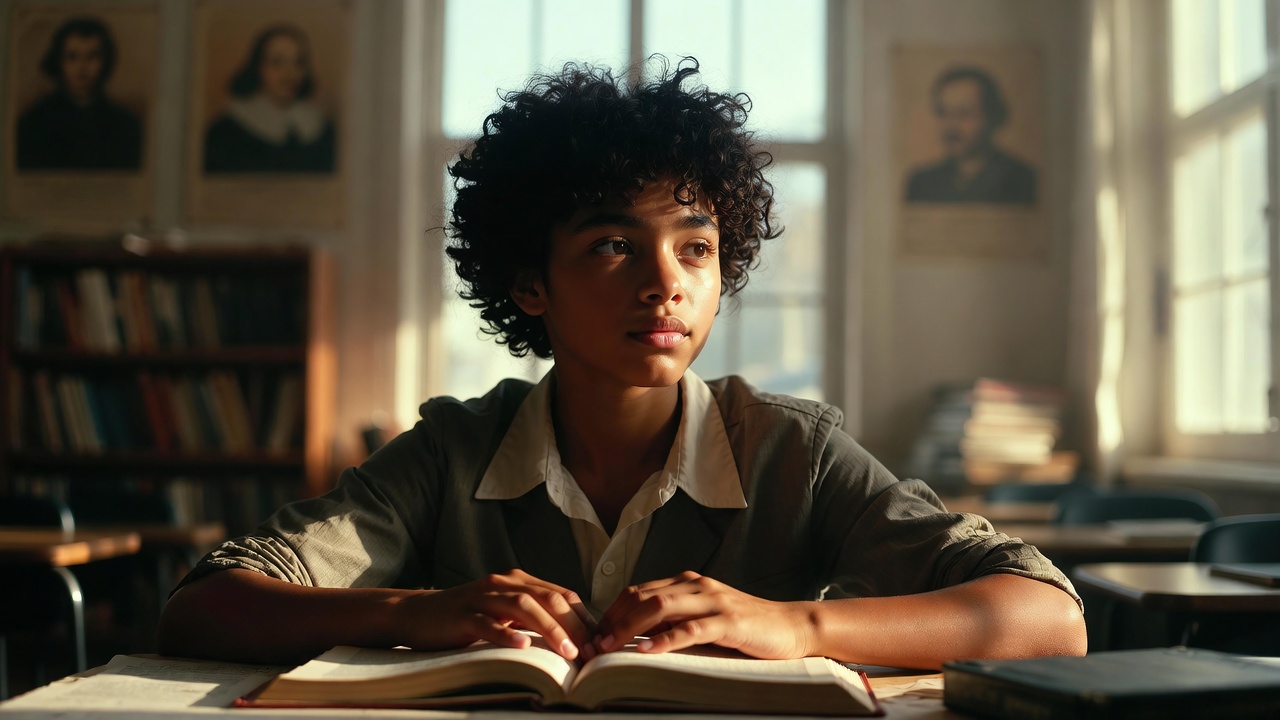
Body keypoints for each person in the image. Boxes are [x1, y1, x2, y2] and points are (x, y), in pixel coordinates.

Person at [159, 59, 1085, 670]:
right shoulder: (453, 449)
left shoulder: (792, 450)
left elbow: (1051, 618)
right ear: (530, 282)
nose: (664, 286)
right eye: (612, 246)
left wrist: (793, 624)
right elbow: (204, 607)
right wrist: (409, 613)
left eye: (696, 248)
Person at [202, 24, 335, 174]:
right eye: (277, 63)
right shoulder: (224, 133)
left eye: (298, 63)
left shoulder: (322, 129)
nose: (290, 75)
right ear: (258, 67)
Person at [15, 16, 143, 171]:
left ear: (107, 61)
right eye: (72, 57)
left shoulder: (126, 125)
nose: (82, 67)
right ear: (58, 61)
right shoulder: (33, 124)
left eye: (92, 57)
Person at [904, 66, 1037, 205]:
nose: (951, 126)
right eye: (943, 113)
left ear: (992, 117)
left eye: (964, 114)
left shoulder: (1021, 179)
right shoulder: (921, 183)